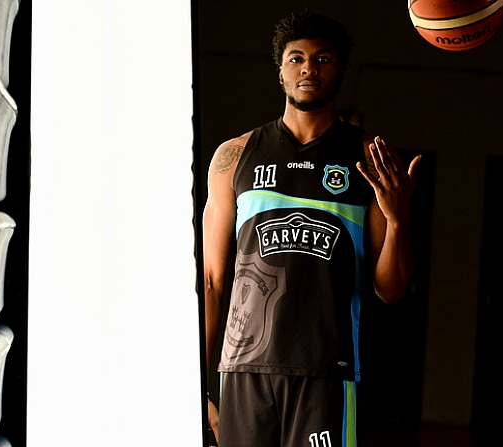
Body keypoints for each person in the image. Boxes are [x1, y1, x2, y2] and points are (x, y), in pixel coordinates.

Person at [203, 10, 421, 447]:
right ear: (280, 70)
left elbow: (390, 289)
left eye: (322, 59)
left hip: (327, 371)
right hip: (243, 369)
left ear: (339, 70)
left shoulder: (367, 158)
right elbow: (211, 280)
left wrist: (398, 219)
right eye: (296, 58)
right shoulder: (235, 155)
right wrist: (194, 382)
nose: (308, 68)